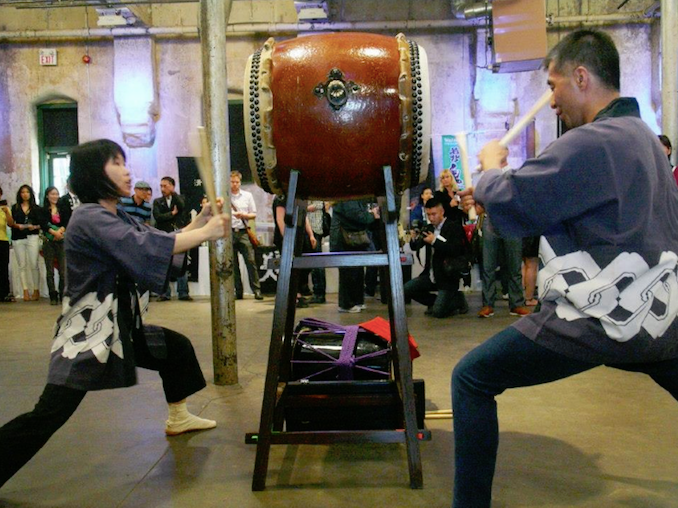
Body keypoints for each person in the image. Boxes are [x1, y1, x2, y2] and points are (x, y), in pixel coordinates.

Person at [453, 30, 678, 508]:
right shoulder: (643, 138)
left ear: (581, 77)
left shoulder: (594, 141)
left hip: (598, 320)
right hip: (659, 316)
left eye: (554, 86)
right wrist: (494, 191)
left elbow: (520, 195)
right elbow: (564, 201)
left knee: (471, 378)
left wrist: (492, 170)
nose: (551, 100)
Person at [0, 139, 229, 490]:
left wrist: (199, 220)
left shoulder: (114, 215)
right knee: (49, 413)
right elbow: (145, 247)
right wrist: (207, 233)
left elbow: (154, 237)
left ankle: (179, 416)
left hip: (119, 327)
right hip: (89, 333)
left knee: (174, 347)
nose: (127, 170)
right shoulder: (90, 217)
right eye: (117, 163)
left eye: (124, 162)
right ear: (95, 173)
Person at [476, 157, 530, 318]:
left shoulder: (515, 172)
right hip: (490, 219)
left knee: (514, 265)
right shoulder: (485, 176)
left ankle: (517, 304)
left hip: (511, 221)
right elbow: (479, 200)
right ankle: (488, 304)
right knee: (488, 266)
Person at [404, 197, 468, 318]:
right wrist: (413, 237)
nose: (431, 218)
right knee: (407, 289)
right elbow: (415, 246)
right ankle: (437, 302)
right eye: (428, 215)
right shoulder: (428, 228)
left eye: (434, 214)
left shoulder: (453, 227)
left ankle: (457, 300)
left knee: (438, 313)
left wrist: (434, 241)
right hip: (430, 275)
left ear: (442, 212)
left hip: (447, 277)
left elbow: (456, 250)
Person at [330, 199, 379, 313]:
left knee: (357, 271)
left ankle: (357, 301)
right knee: (348, 272)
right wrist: (372, 215)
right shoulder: (348, 198)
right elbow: (357, 216)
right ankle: (346, 304)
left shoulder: (352, 197)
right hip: (344, 240)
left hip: (351, 239)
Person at [272, 194, 317, 308]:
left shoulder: (298, 197)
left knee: (302, 266)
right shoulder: (281, 198)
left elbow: (303, 216)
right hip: (287, 236)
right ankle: (292, 295)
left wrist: (311, 234)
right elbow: (280, 218)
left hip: (299, 236)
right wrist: (286, 238)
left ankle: (298, 292)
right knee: (289, 266)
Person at [153, 176, 192, 301]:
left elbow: (182, 207)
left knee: (181, 264)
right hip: (164, 234)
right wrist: (172, 214)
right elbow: (158, 217)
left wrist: (174, 194)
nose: (163, 189)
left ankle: (183, 292)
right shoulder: (158, 202)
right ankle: (164, 293)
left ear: (172, 186)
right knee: (164, 264)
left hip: (179, 234)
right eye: (161, 186)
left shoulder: (179, 198)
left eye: (165, 186)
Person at [230, 170, 263, 300]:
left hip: (243, 232)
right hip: (230, 232)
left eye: (237, 182)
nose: (234, 184)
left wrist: (242, 215)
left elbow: (253, 214)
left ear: (240, 182)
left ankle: (257, 290)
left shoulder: (247, 196)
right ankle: (238, 291)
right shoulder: (226, 196)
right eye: (232, 182)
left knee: (250, 262)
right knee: (233, 265)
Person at [10, 185, 42, 302]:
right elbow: (12, 223)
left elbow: (41, 224)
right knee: (22, 265)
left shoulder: (36, 208)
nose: (25, 194)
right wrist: (17, 226)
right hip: (18, 237)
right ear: (20, 194)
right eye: (22, 192)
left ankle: (36, 289)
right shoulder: (15, 207)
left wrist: (34, 227)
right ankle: (25, 290)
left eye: (27, 192)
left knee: (34, 263)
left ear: (31, 194)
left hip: (32, 236)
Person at [41, 187, 66, 305]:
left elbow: (67, 221)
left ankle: (63, 294)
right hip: (48, 241)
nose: (55, 196)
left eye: (56, 194)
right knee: (49, 270)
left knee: (63, 270)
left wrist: (60, 231)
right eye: (52, 194)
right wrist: (53, 232)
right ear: (47, 196)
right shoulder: (43, 210)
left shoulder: (63, 208)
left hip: (61, 240)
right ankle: (52, 295)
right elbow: (43, 224)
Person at [305, 200, 327, 304]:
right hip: (311, 231)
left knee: (316, 263)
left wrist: (300, 208)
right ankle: (315, 291)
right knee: (313, 263)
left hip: (314, 231)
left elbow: (317, 206)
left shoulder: (316, 194)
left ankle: (319, 293)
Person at [0, 186, 15, 302]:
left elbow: (11, 224)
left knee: (3, 267)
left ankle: (4, 293)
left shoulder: (5, 209)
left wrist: (7, 212)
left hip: (3, 240)